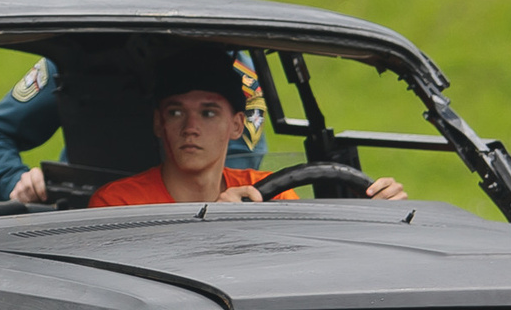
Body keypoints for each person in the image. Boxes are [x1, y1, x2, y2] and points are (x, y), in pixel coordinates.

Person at [0, 0, 272, 203]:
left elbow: (240, 173)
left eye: (209, 1)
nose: (196, 15)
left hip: (207, 232)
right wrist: (17, 182)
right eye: (182, 1)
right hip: (101, 225)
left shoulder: (240, 76)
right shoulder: (90, 62)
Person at [90, 50, 406, 208]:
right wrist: (211, 224)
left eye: (209, 113)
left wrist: (380, 212)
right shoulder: (119, 203)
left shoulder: (271, 192)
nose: (191, 128)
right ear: (159, 123)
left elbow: (304, 266)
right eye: (176, 112)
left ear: (236, 125)